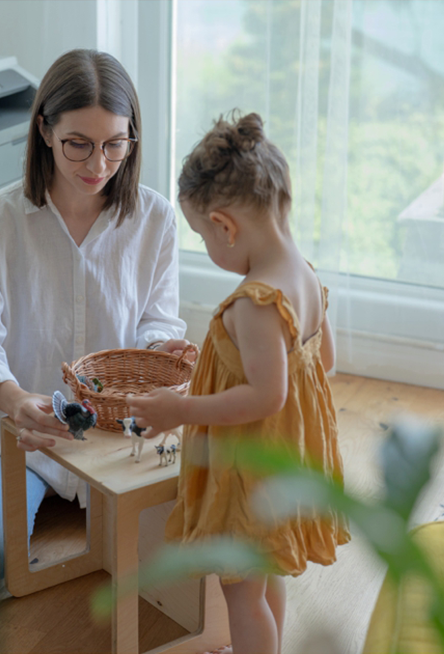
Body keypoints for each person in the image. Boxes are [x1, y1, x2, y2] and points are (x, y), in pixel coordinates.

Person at [0, 49, 191, 586]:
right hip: (21, 437)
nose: (98, 165)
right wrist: (13, 400)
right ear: (44, 132)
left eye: (114, 145)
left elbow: (157, 320)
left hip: (119, 434)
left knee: (183, 561)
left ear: (131, 138)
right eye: (78, 144)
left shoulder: (154, 218)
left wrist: (158, 355)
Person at [127, 112, 350, 654]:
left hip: (249, 468)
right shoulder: (306, 276)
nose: (209, 246)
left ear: (225, 225)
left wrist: (179, 411)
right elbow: (323, 364)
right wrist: (222, 361)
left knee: (240, 595)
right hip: (287, 457)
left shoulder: (254, 302)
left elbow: (266, 394)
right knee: (263, 572)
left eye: (204, 235)